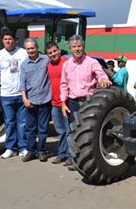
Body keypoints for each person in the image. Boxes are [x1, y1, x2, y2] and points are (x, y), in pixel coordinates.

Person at [60, 35, 112, 169]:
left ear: (83, 47)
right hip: (72, 102)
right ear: (70, 49)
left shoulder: (92, 62)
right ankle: (74, 159)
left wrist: (104, 80)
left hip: (88, 102)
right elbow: (64, 84)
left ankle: (86, 161)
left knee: (88, 133)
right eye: (74, 47)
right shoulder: (67, 64)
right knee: (71, 131)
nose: (77, 49)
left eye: (79, 46)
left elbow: (101, 75)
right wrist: (63, 103)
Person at [0, 28, 28, 159]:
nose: (8, 41)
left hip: (21, 94)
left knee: (23, 122)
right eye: (5, 39)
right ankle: (11, 148)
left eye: (10, 39)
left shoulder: (23, 53)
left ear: (15, 40)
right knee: (10, 122)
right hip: (6, 95)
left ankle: (23, 147)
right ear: (2, 41)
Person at [19, 38, 51, 162]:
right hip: (30, 101)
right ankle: (31, 151)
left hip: (45, 99)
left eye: (33, 48)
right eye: (28, 48)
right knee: (30, 128)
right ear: (26, 50)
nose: (31, 50)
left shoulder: (46, 60)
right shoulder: (24, 65)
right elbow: (22, 84)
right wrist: (24, 99)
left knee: (43, 128)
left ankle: (41, 151)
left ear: (37, 47)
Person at [45, 42, 70, 165]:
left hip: (67, 103)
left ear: (59, 50)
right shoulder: (48, 65)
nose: (53, 54)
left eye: (55, 51)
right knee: (60, 131)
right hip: (55, 103)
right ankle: (62, 154)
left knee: (70, 131)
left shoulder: (67, 62)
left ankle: (71, 156)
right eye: (50, 53)